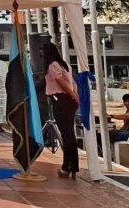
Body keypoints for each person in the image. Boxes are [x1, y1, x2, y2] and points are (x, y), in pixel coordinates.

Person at [43, 43, 79, 179]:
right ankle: (72, 166)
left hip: (61, 99)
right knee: (69, 134)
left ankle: (67, 167)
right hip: (69, 101)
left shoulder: (53, 65)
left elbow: (61, 82)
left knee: (66, 134)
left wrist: (72, 95)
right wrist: (75, 96)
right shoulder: (65, 65)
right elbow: (72, 82)